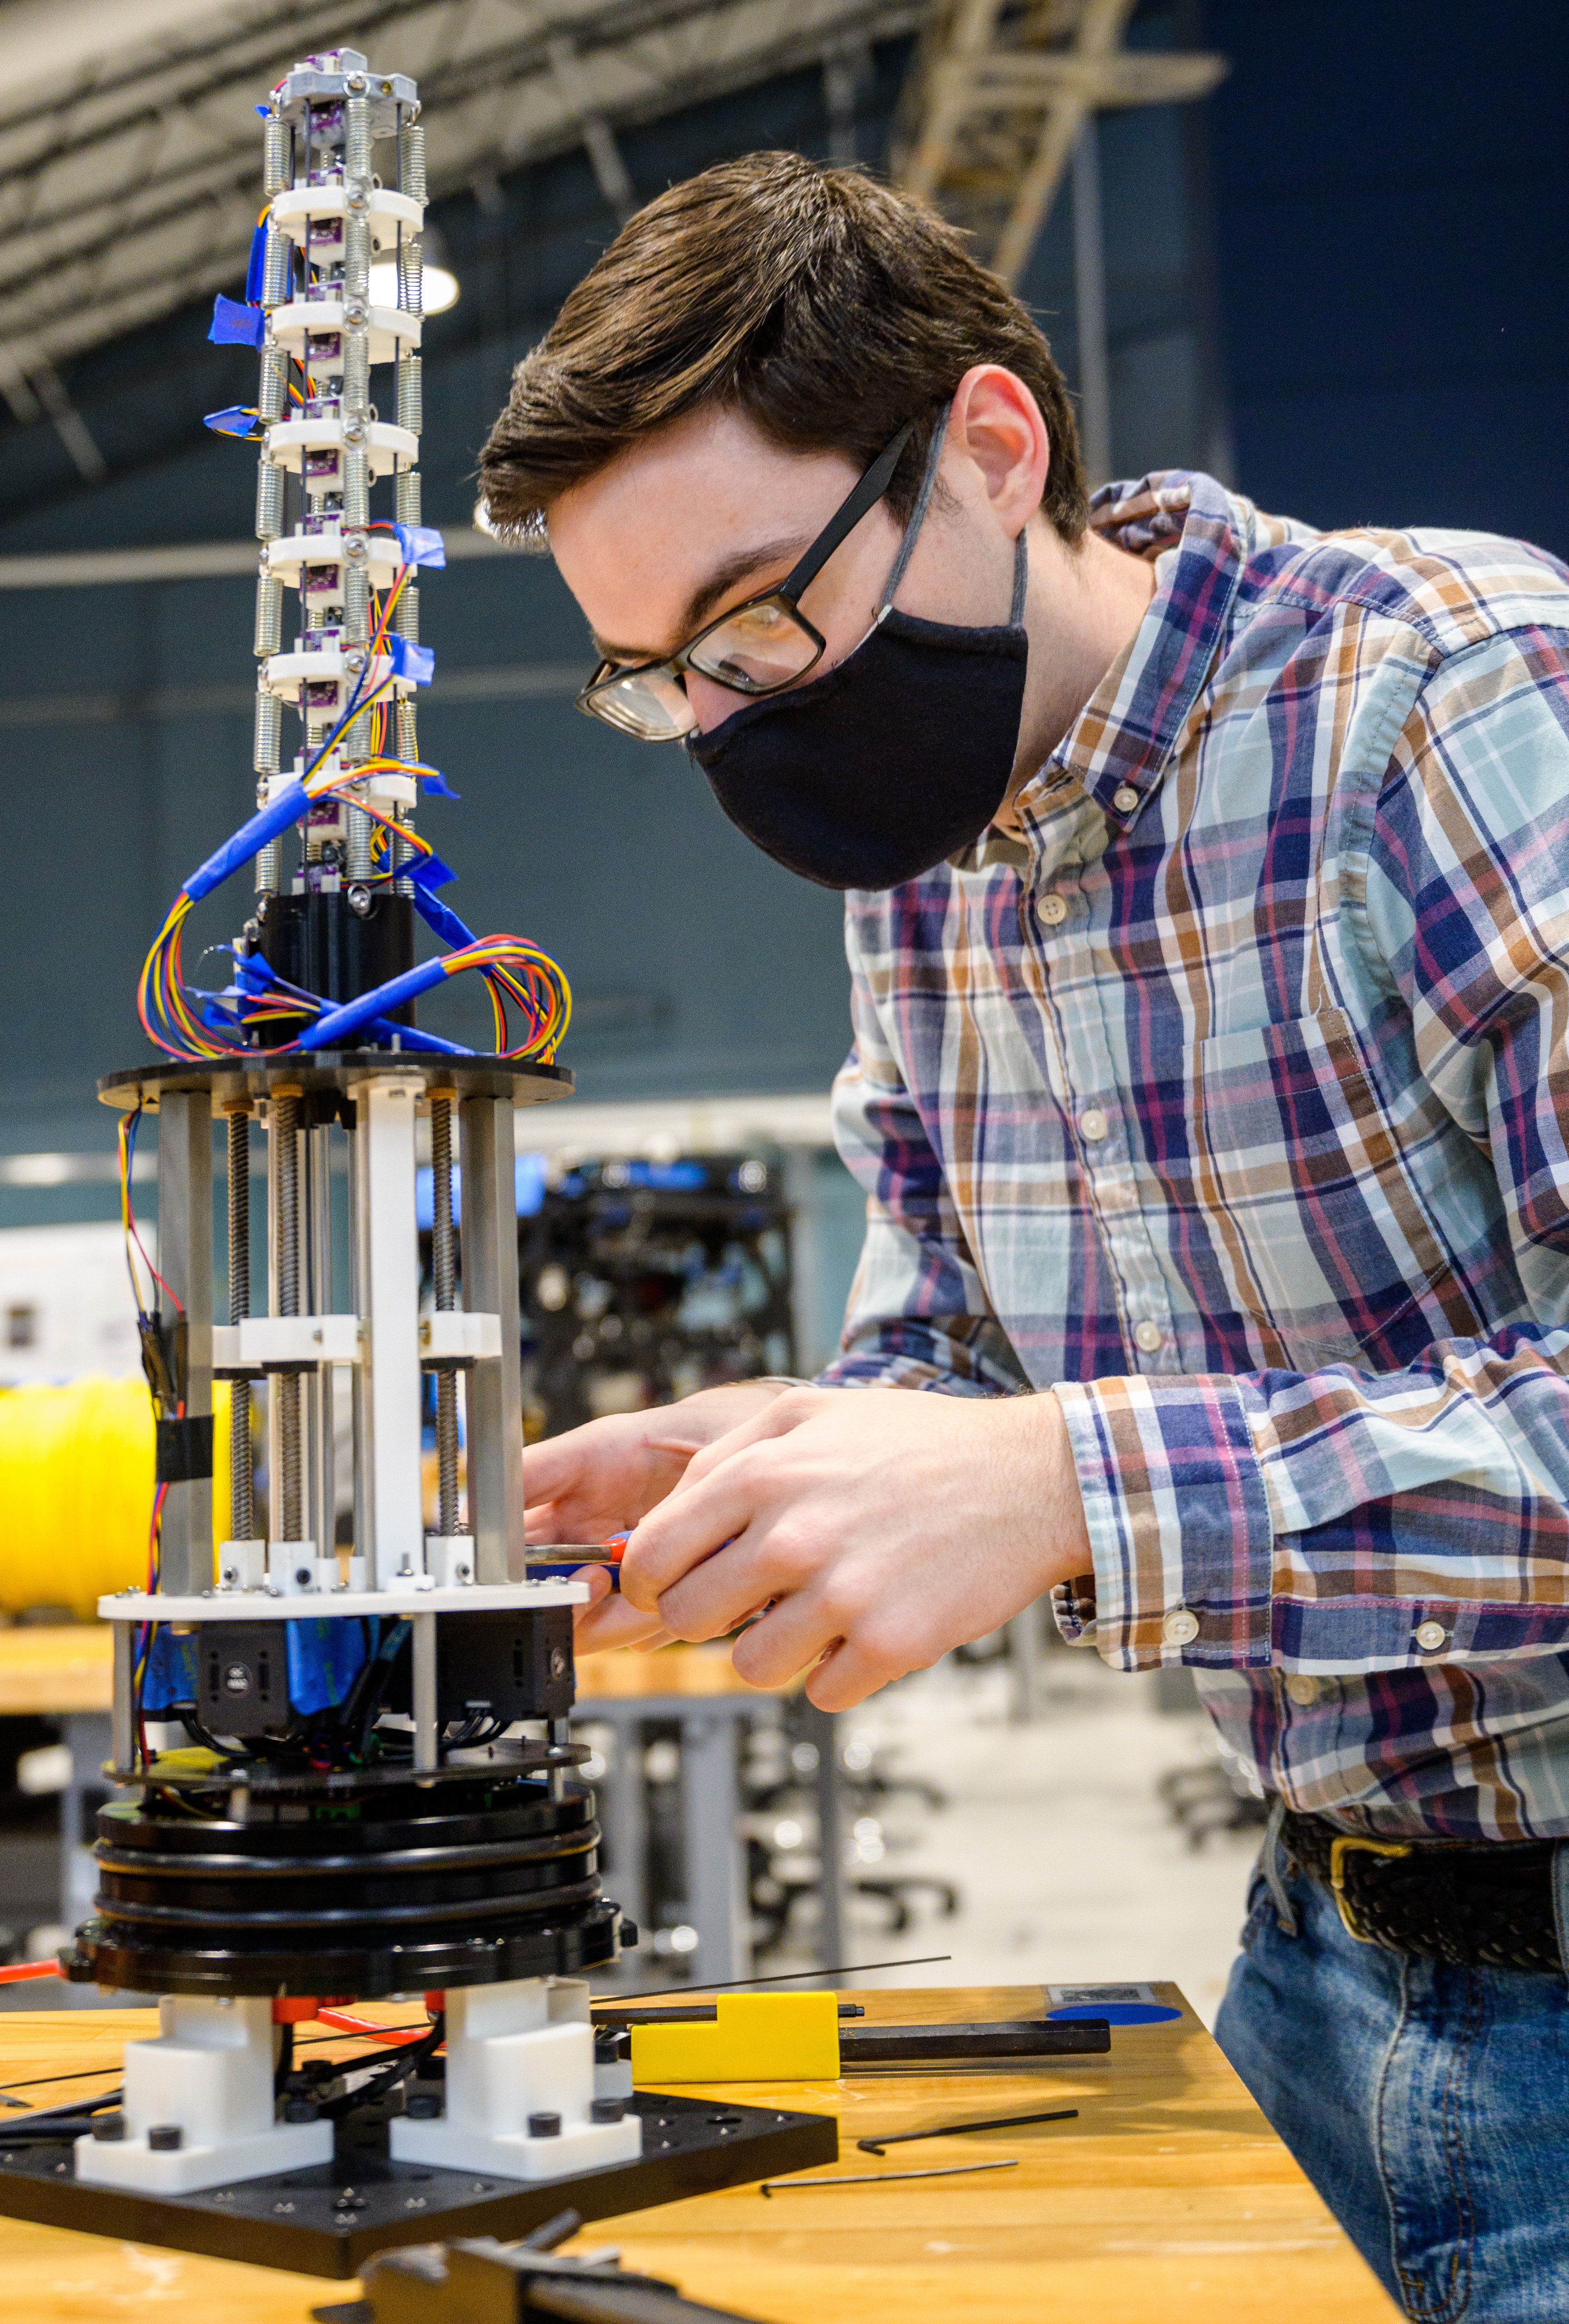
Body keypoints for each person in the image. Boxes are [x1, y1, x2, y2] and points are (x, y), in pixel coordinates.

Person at [476, 152, 1569, 2319]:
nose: (726, 717)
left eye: (760, 616)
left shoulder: (1452, 706)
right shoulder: (928, 867)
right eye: (654, 678)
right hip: (1319, 1960)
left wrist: (1068, 1481)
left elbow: (1060, 1454)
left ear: (991, 445)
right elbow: (961, 1359)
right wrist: (781, 1461)